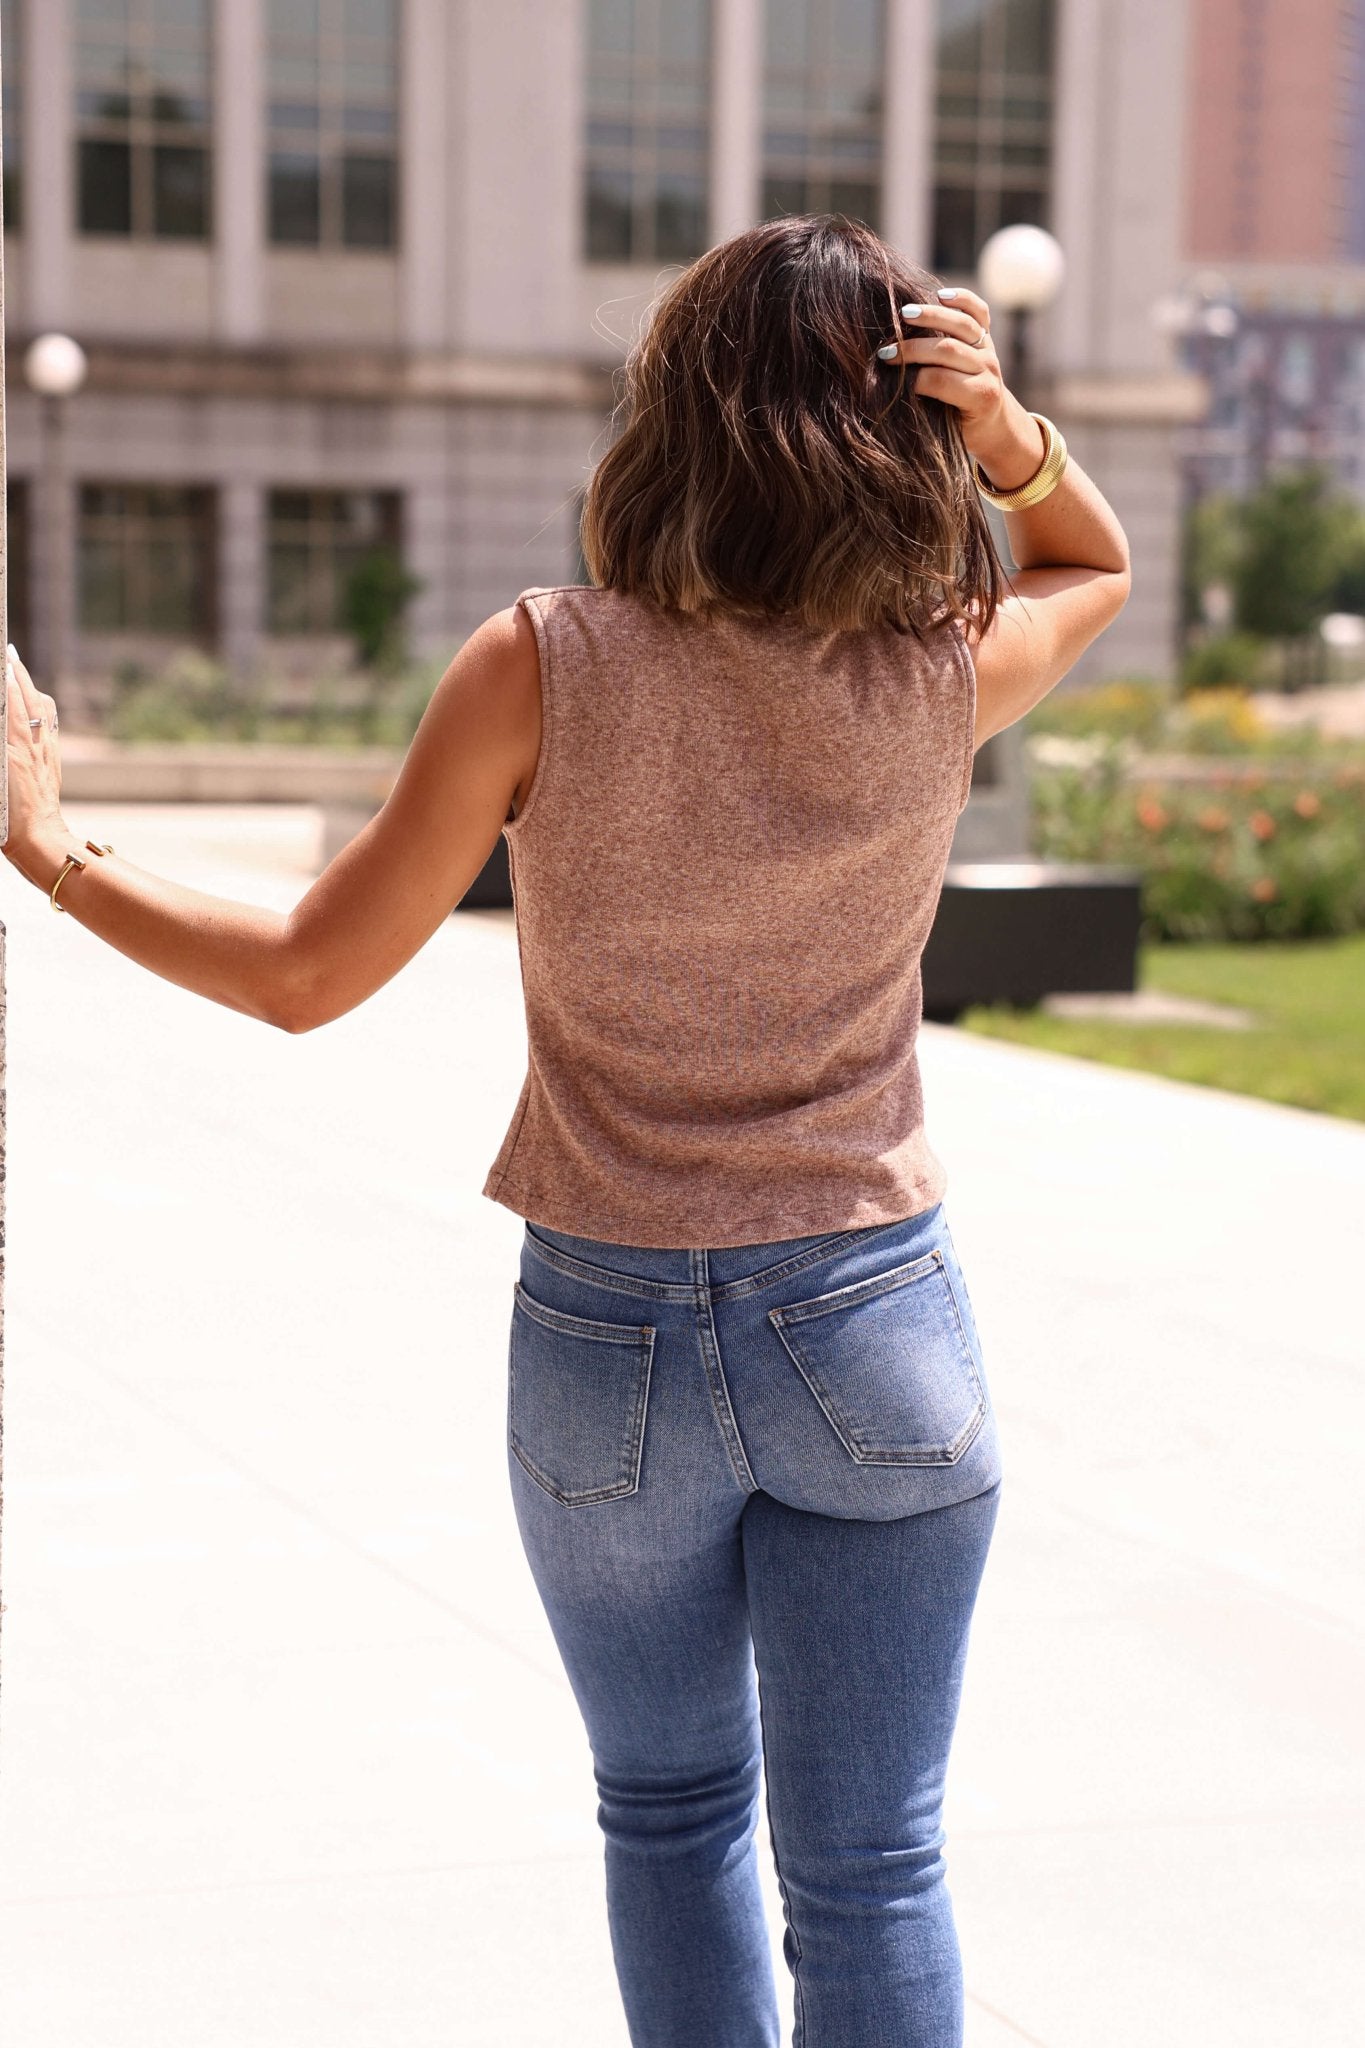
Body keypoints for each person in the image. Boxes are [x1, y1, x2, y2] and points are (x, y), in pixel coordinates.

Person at [3, 216, 1130, 2047]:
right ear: (897, 429)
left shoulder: (541, 665)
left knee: (673, 1816)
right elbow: (1095, 556)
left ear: (670, 408)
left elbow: (305, 975)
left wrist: (48, 843)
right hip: (871, 1324)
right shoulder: (939, 668)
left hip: (604, 1346)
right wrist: (1005, 434)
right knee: (874, 1867)